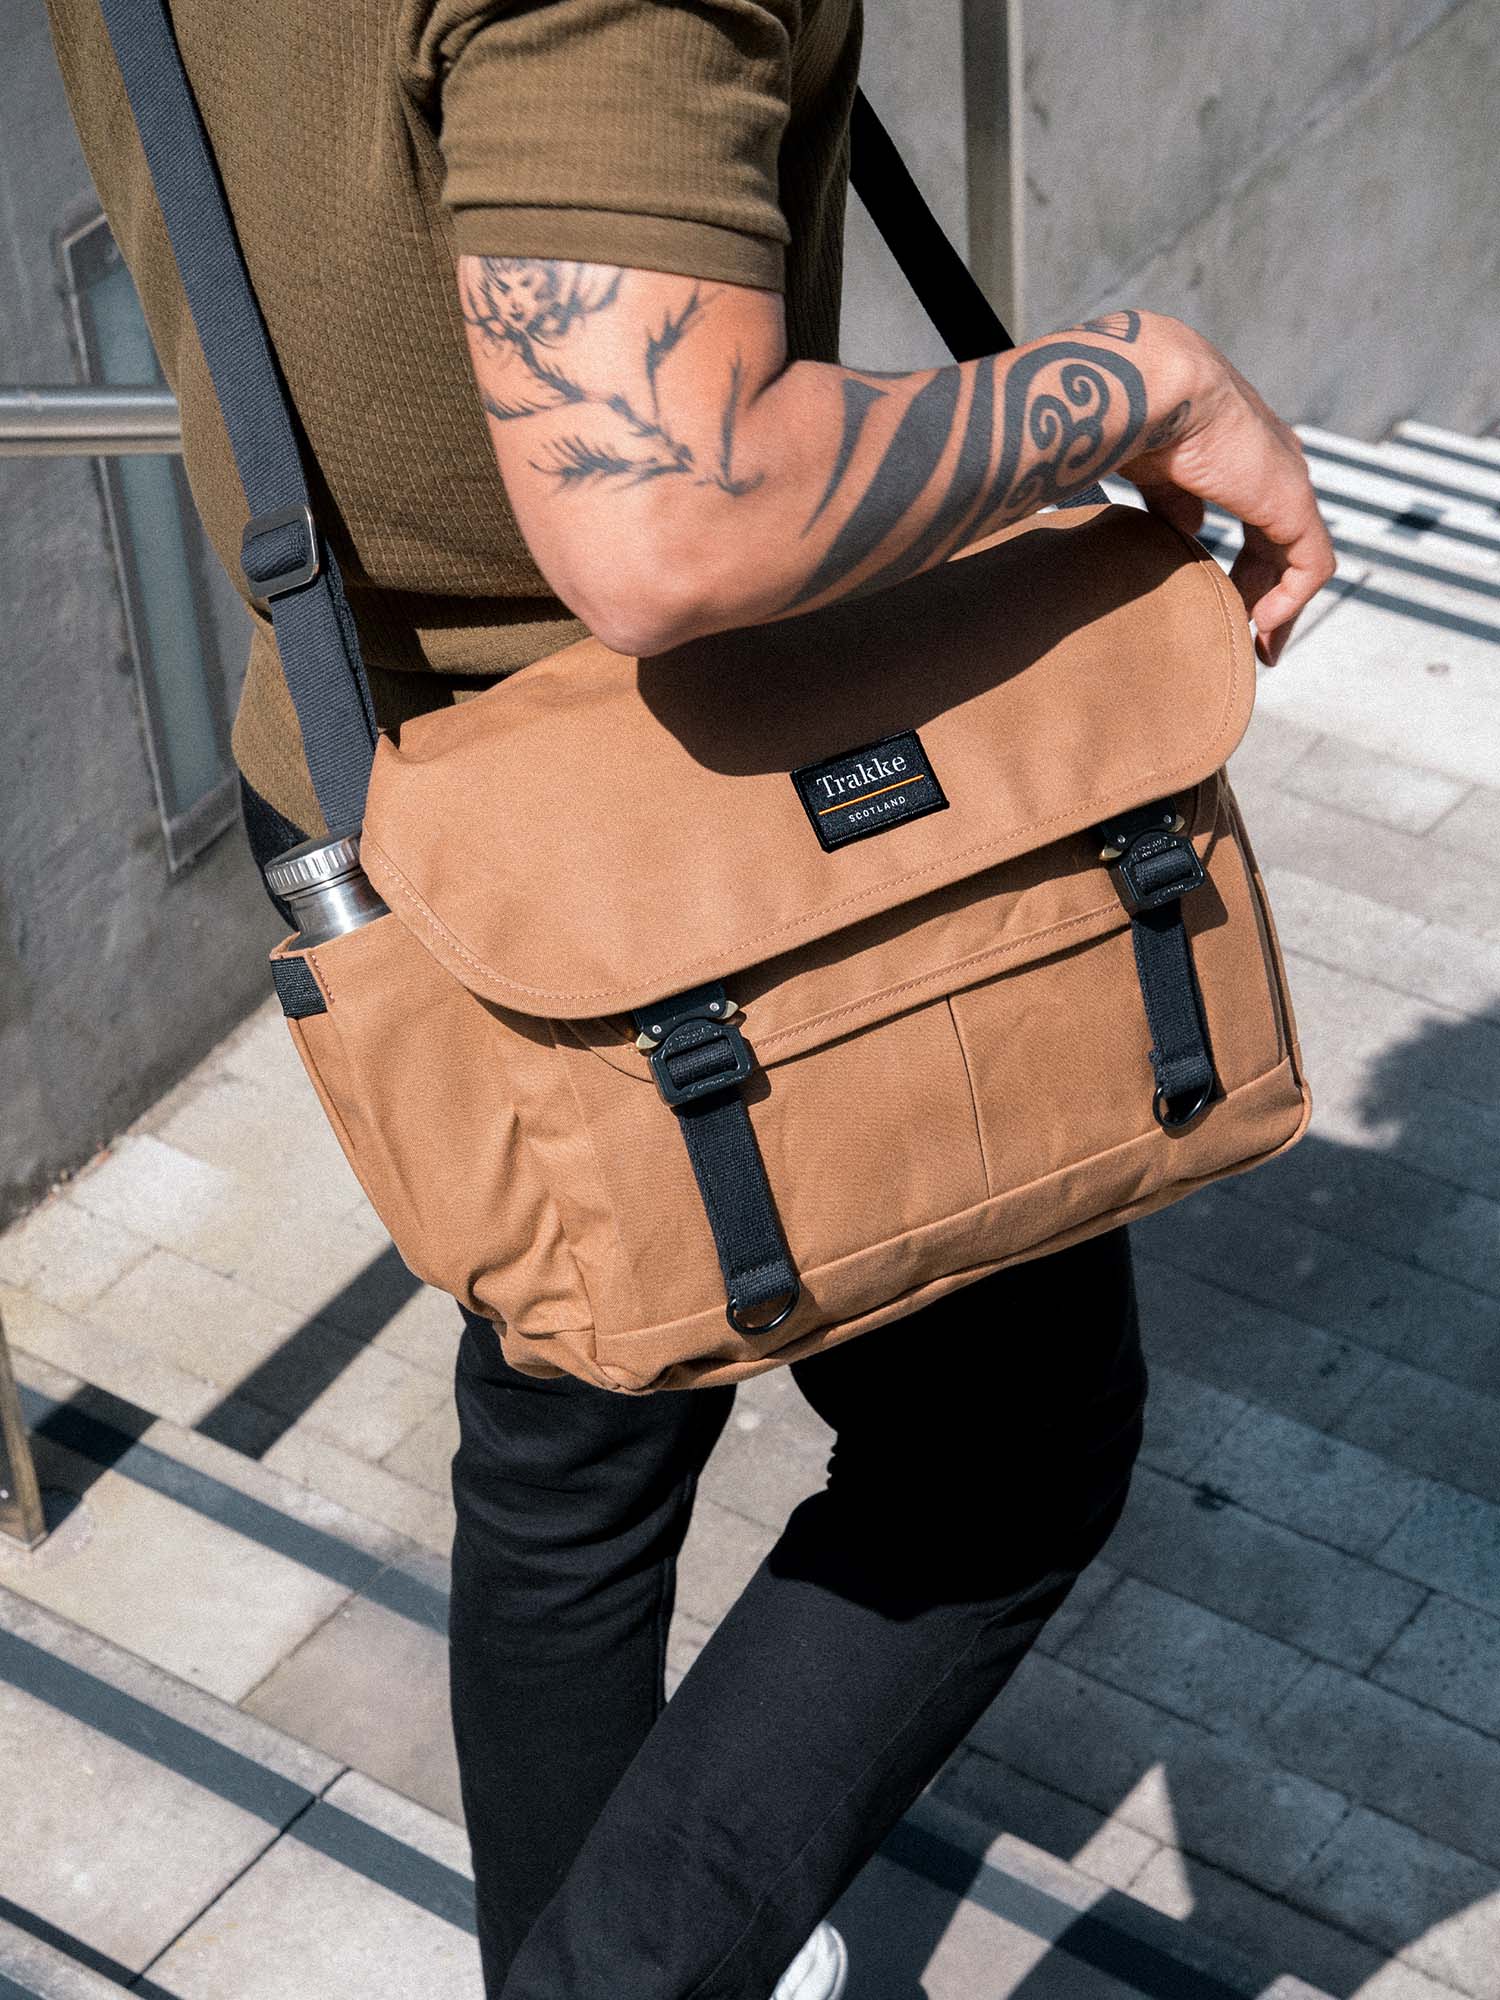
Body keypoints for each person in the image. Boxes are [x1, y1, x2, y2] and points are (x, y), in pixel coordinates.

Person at [43, 2, 1334, 1994]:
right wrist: (1131, 382)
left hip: (403, 798)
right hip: (714, 822)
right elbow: (666, 501)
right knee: (1002, 1451)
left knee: (571, 1446)